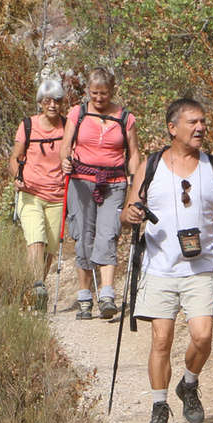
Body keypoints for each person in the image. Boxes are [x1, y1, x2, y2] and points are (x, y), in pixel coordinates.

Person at [121, 96, 213, 423]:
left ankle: (188, 384)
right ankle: (159, 408)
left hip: (200, 267)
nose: (200, 128)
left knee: (202, 336)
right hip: (159, 267)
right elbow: (128, 211)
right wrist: (132, 215)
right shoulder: (151, 166)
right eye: (192, 123)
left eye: (203, 122)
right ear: (173, 128)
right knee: (161, 340)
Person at [60, 67, 141, 320]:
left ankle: (107, 295)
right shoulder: (78, 113)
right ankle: (85, 297)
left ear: (112, 91)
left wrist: (136, 183)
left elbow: (134, 151)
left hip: (114, 182)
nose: (99, 98)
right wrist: (65, 160)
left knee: (108, 235)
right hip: (81, 181)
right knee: (83, 236)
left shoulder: (125, 117)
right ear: (88, 91)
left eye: (103, 93)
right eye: (94, 93)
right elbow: (65, 146)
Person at [8, 77, 68, 312]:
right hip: (30, 193)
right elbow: (14, 158)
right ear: (40, 102)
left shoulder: (67, 127)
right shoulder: (28, 125)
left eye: (57, 101)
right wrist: (17, 176)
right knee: (36, 238)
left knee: (50, 249)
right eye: (47, 100)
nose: (52, 105)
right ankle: (37, 284)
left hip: (58, 195)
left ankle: (36, 291)